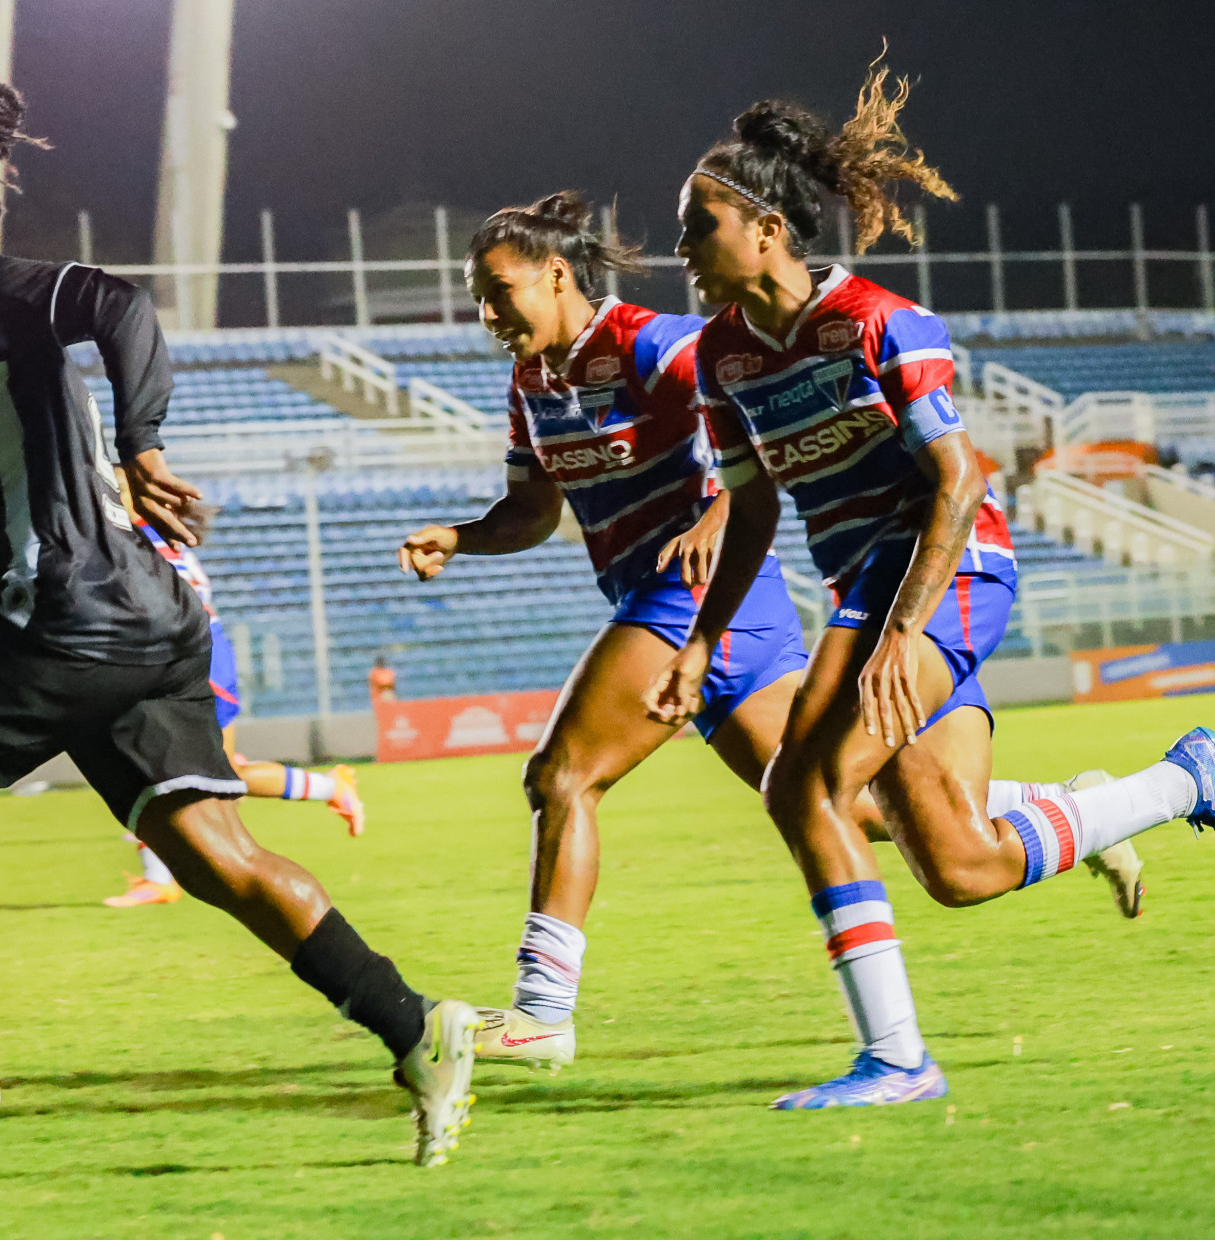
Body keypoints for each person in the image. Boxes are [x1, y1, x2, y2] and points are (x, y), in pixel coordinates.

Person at [0, 80, 478, 1165]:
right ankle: (419, 1028)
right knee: (216, 855)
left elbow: (120, 305)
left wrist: (143, 445)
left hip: (66, 618)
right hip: (139, 619)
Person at [400, 191, 1139, 1075]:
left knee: (561, 775)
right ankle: (1068, 808)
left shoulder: (651, 344)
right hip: (701, 612)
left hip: (691, 602)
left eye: (498, 291)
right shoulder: (532, 387)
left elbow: (746, 432)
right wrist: (460, 537)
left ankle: (542, 1014)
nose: (488, 314)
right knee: (841, 802)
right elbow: (531, 511)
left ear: (556, 274)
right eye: (478, 299)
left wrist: (719, 511)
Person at [647, 63, 1213, 1108]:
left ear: (767, 229)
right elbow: (753, 514)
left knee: (800, 786)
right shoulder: (721, 359)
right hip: (868, 594)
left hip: (942, 573)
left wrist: (903, 634)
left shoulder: (879, 321)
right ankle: (1184, 781)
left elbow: (961, 480)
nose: (678, 245)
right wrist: (698, 642)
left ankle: (899, 1061)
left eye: (698, 224)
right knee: (959, 865)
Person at [107, 501, 365, 909]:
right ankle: (333, 787)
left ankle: (333, 788)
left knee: (189, 774)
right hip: (195, 653)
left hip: (194, 658)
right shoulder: (151, 534)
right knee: (193, 773)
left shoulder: (131, 537)